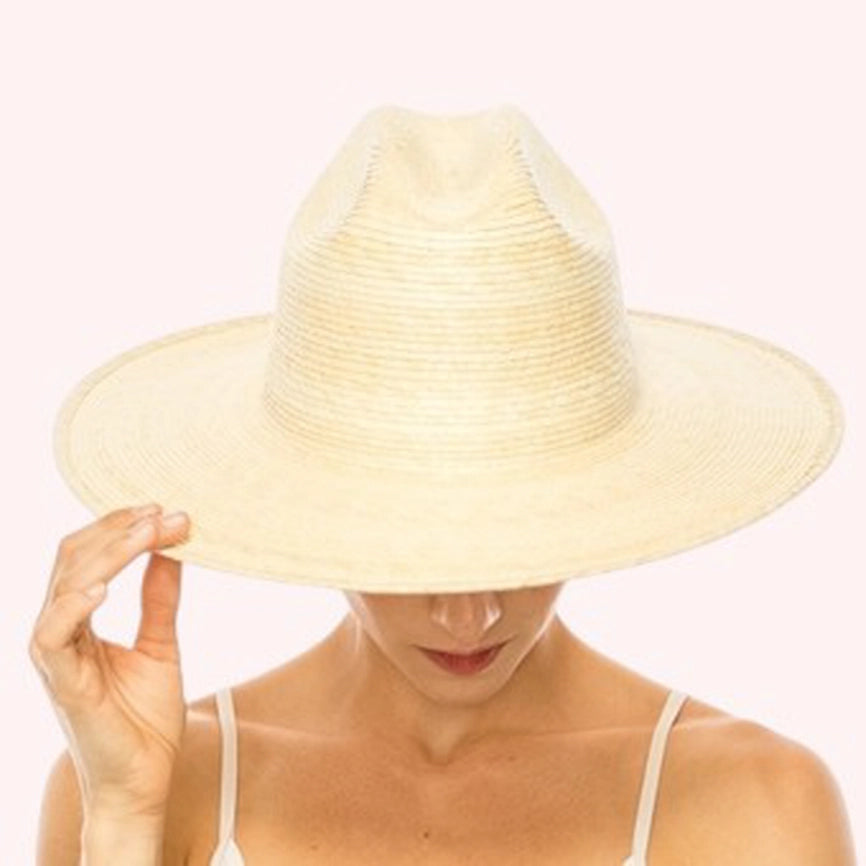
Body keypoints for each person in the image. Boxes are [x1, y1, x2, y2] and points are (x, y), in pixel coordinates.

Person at [31, 104, 857, 865]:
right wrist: (125, 815)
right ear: (322, 509)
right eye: (415, 550)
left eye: (517, 540)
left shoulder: (752, 803)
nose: (472, 616)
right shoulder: (146, 780)